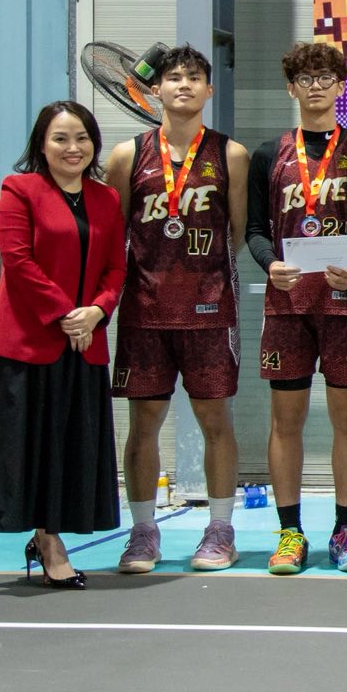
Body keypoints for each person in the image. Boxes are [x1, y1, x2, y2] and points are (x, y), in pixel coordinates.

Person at [106, 46, 249, 574]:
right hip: (144, 312)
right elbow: (114, 235)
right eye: (173, 77)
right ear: (157, 90)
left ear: (209, 90)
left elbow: (235, 234)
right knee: (143, 424)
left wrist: (202, 279)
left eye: (194, 78)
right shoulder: (126, 156)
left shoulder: (231, 154)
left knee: (216, 421)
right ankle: (143, 532)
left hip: (209, 311)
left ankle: (221, 529)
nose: (183, 85)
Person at [0, 101, 126, 588]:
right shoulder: (18, 190)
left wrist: (97, 311)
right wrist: (66, 314)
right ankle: (47, 541)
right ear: (42, 145)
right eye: (61, 138)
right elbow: (18, 262)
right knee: (32, 448)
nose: (72, 148)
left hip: (84, 344)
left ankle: (51, 533)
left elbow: (116, 268)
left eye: (81, 138)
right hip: (30, 343)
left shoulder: (105, 198)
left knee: (70, 448)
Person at [245, 42, 347, 576]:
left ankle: (345, 530)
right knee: (286, 421)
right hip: (288, 304)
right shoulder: (267, 155)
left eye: (325, 78)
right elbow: (255, 229)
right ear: (291, 88)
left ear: (341, 86)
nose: (316, 86)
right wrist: (269, 264)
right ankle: (290, 532)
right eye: (305, 79)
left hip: (344, 303)